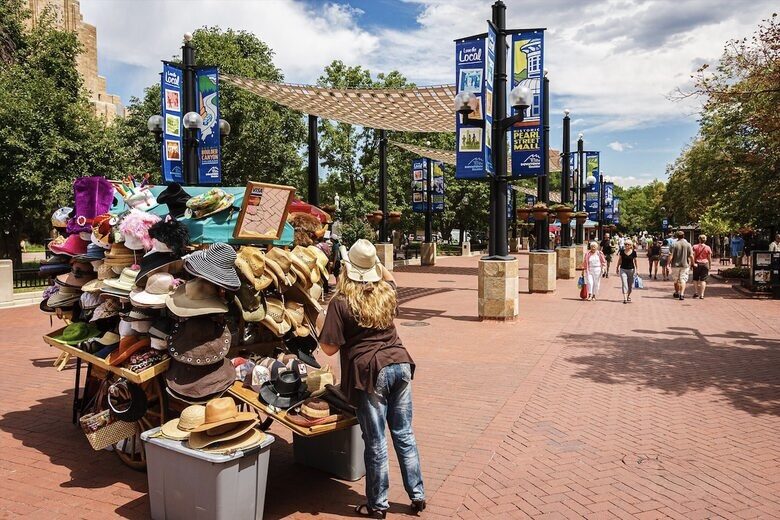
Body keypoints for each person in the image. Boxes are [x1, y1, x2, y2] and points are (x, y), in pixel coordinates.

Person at [319, 240, 425, 519]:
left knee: (376, 441)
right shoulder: (386, 293)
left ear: (347, 269)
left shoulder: (340, 303)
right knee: (404, 433)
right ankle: (417, 495)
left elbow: (328, 348)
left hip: (370, 372)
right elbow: (390, 278)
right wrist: (375, 265)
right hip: (400, 362)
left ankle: (378, 504)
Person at [669, 230, 694, 300]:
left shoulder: (674, 244)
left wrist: (668, 264)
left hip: (675, 265)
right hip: (685, 265)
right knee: (683, 280)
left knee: (676, 280)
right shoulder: (688, 244)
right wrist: (693, 263)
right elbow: (691, 256)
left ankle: (677, 292)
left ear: (677, 236)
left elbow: (671, 255)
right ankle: (682, 294)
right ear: (684, 236)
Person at [617, 239, 638, 304]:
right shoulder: (622, 252)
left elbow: (635, 261)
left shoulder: (634, 252)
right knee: (624, 283)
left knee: (630, 286)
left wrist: (637, 270)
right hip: (623, 269)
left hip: (631, 270)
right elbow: (620, 260)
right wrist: (617, 267)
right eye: (625, 244)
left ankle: (628, 295)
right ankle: (625, 298)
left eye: (628, 244)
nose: (626, 245)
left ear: (631, 245)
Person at [692, 234, 713, 299]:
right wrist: (710, 265)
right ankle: (702, 294)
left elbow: (693, 256)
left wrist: (692, 264)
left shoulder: (695, 247)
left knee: (695, 279)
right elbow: (709, 258)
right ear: (705, 240)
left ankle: (696, 292)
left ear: (699, 239)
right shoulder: (708, 247)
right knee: (703, 280)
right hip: (705, 264)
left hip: (697, 264)